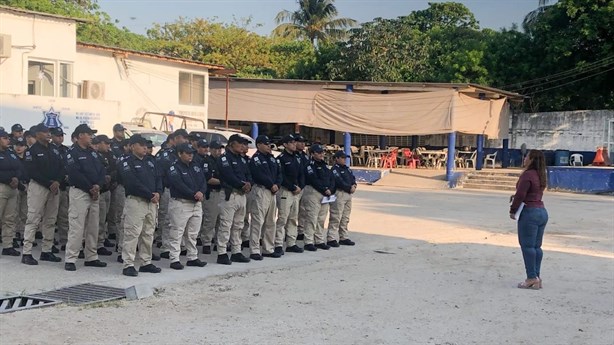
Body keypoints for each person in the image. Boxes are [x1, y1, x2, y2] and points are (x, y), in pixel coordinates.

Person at [64, 124, 107, 271]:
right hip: (80, 192)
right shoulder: (72, 152)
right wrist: (90, 187)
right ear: (81, 135)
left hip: (94, 192)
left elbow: (102, 170)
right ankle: (71, 258)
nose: (91, 137)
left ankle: (91, 256)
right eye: (89, 134)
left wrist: (98, 186)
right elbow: (75, 173)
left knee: (93, 226)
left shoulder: (92, 152)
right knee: (77, 226)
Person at [120, 134, 163, 276]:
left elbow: (158, 178)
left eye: (146, 145)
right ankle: (128, 264)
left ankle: (146, 262)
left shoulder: (150, 161)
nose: (145, 148)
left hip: (151, 202)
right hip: (137, 201)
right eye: (141, 145)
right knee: (132, 233)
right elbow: (132, 182)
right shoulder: (127, 162)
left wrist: (158, 192)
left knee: (148, 232)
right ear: (132, 146)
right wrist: (149, 194)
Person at [21, 124, 64, 265]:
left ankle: (47, 250)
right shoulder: (32, 151)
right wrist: (48, 183)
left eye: (49, 132)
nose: (48, 134)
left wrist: (57, 181)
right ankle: (26, 252)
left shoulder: (54, 149)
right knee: (33, 219)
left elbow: (62, 167)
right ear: (37, 134)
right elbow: (31, 171)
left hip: (54, 187)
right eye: (45, 132)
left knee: (50, 220)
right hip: (39, 186)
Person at [510, 149, 549, 290]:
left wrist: (513, 210)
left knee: (527, 246)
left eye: (527, 156)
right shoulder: (541, 175)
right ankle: (537, 277)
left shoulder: (527, 175)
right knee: (536, 247)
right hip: (542, 212)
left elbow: (520, 194)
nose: (524, 158)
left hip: (529, 212)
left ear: (532, 159)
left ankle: (531, 277)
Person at [166, 143, 207, 269]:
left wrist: (201, 192)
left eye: (191, 153)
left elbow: (203, 181)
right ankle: (174, 259)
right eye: (187, 153)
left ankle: (192, 257)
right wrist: (193, 194)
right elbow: (178, 184)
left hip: (196, 203)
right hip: (181, 203)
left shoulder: (195, 166)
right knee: (177, 232)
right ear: (179, 154)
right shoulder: (174, 167)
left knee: (193, 233)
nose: (190, 155)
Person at [216, 134, 252, 265]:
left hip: (242, 195)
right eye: (239, 143)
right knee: (226, 224)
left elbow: (249, 173)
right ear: (231, 144)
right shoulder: (224, 158)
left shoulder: (242, 159)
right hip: (230, 194)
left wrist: (249, 184)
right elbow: (228, 175)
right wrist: (242, 184)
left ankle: (236, 251)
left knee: (238, 225)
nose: (242, 146)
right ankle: (222, 252)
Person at [247, 135, 282, 260]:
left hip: (272, 192)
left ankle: (268, 248)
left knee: (271, 221)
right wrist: (270, 184)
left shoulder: (272, 159)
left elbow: (279, 173)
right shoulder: (256, 159)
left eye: (269, 144)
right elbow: (259, 175)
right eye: (266, 144)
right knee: (258, 221)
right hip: (261, 190)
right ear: (259, 145)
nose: (269, 146)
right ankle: (255, 249)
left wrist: (277, 184)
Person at [274, 134, 304, 255]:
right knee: (282, 219)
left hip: (296, 191)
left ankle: (291, 243)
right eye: (291, 142)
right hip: (286, 191)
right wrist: (292, 187)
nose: (294, 144)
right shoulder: (281, 158)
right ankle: (278, 244)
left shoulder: (297, 157)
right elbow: (282, 176)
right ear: (285, 145)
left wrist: (300, 187)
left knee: (293, 218)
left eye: (294, 142)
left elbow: (302, 173)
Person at [303, 144, 335, 251]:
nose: (322, 154)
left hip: (325, 194)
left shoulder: (325, 165)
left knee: (321, 218)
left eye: (322, 152)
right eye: (319, 152)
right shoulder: (309, 165)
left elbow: (331, 178)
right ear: (312, 154)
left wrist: (330, 189)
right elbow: (313, 179)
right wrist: (324, 189)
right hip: (313, 192)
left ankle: (319, 240)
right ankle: (308, 241)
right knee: (312, 217)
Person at [92, 134, 117, 256]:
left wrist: (111, 177)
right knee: (98, 219)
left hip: (108, 190)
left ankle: (101, 239)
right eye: (106, 143)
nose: (108, 146)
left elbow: (115, 168)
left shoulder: (110, 155)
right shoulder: (94, 155)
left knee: (104, 218)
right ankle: (97, 244)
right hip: (98, 191)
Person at [327, 151, 357, 247]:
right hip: (339, 193)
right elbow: (339, 181)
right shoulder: (335, 169)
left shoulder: (347, 169)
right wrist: (349, 188)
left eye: (345, 158)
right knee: (336, 216)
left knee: (345, 217)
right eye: (342, 158)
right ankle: (331, 238)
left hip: (348, 194)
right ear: (337, 159)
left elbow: (352, 178)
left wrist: (354, 185)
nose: (344, 160)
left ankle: (343, 237)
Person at [0, 128, 21, 256]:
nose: (8, 140)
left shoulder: (11, 153)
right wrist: (9, 178)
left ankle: (7, 245)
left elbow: (19, 167)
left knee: (9, 219)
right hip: (2, 187)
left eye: (8, 138)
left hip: (13, 189)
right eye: (5, 138)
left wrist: (16, 178)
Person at [200, 140, 223, 254]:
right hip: (212, 193)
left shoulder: (222, 161)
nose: (218, 151)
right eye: (216, 149)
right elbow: (208, 178)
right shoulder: (206, 161)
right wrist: (225, 182)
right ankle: (207, 242)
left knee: (221, 220)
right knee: (210, 220)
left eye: (220, 149)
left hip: (222, 193)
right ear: (211, 150)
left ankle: (218, 242)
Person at [50, 127, 69, 251]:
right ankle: (49, 242)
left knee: (64, 216)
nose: (60, 138)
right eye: (57, 136)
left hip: (64, 187)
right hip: (53, 188)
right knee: (50, 217)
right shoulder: (49, 149)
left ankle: (65, 241)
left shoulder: (66, 150)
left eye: (62, 135)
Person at [12, 137, 28, 245]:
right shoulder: (12, 158)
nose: (19, 147)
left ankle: (23, 235)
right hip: (15, 186)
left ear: (25, 147)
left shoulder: (28, 158)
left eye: (21, 145)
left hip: (27, 186)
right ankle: (13, 235)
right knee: (14, 213)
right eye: (17, 145)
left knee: (25, 213)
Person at [295, 134, 310, 241]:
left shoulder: (305, 156)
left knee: (303, 210)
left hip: (304, 186)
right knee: (292, 212)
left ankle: (301, 231)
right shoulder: (291, 155)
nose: (302, 144)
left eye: (303, 142)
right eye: (300, 141)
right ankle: (288, 232)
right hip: (294, 187)